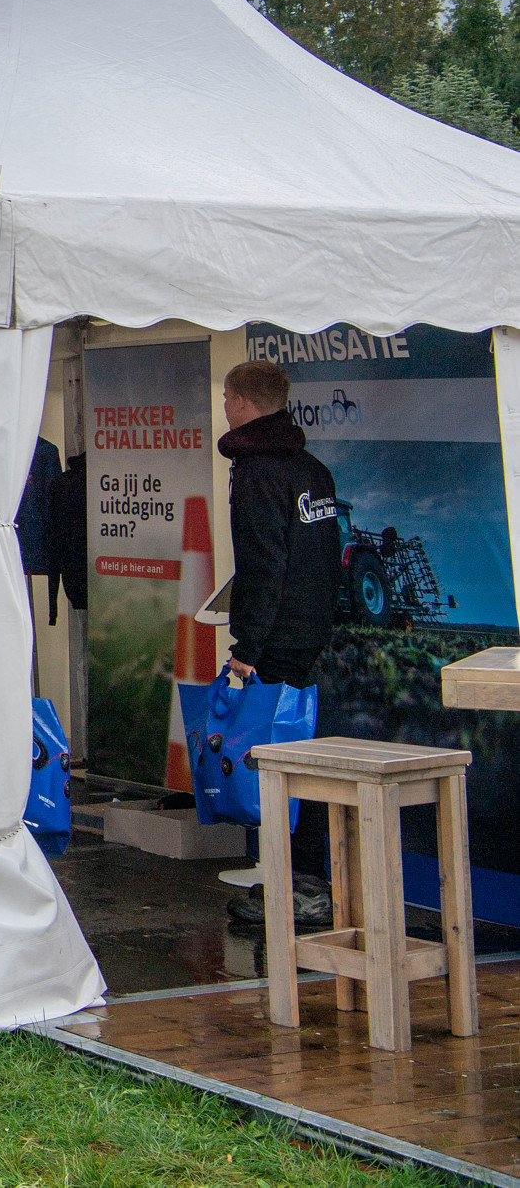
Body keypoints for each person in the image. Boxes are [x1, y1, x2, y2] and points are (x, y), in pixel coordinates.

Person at [217, 359, 343, 929]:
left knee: (276, 769)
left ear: (243, 402)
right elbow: (321, 560)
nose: (224, 404)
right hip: (313, 639)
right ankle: (303, 884)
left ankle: (298, 890)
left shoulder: (256, 474)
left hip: (276, 647)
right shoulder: (313, 470)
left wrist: (247, 647)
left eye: (226, 396)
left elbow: (263, 566)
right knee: (307, 762)